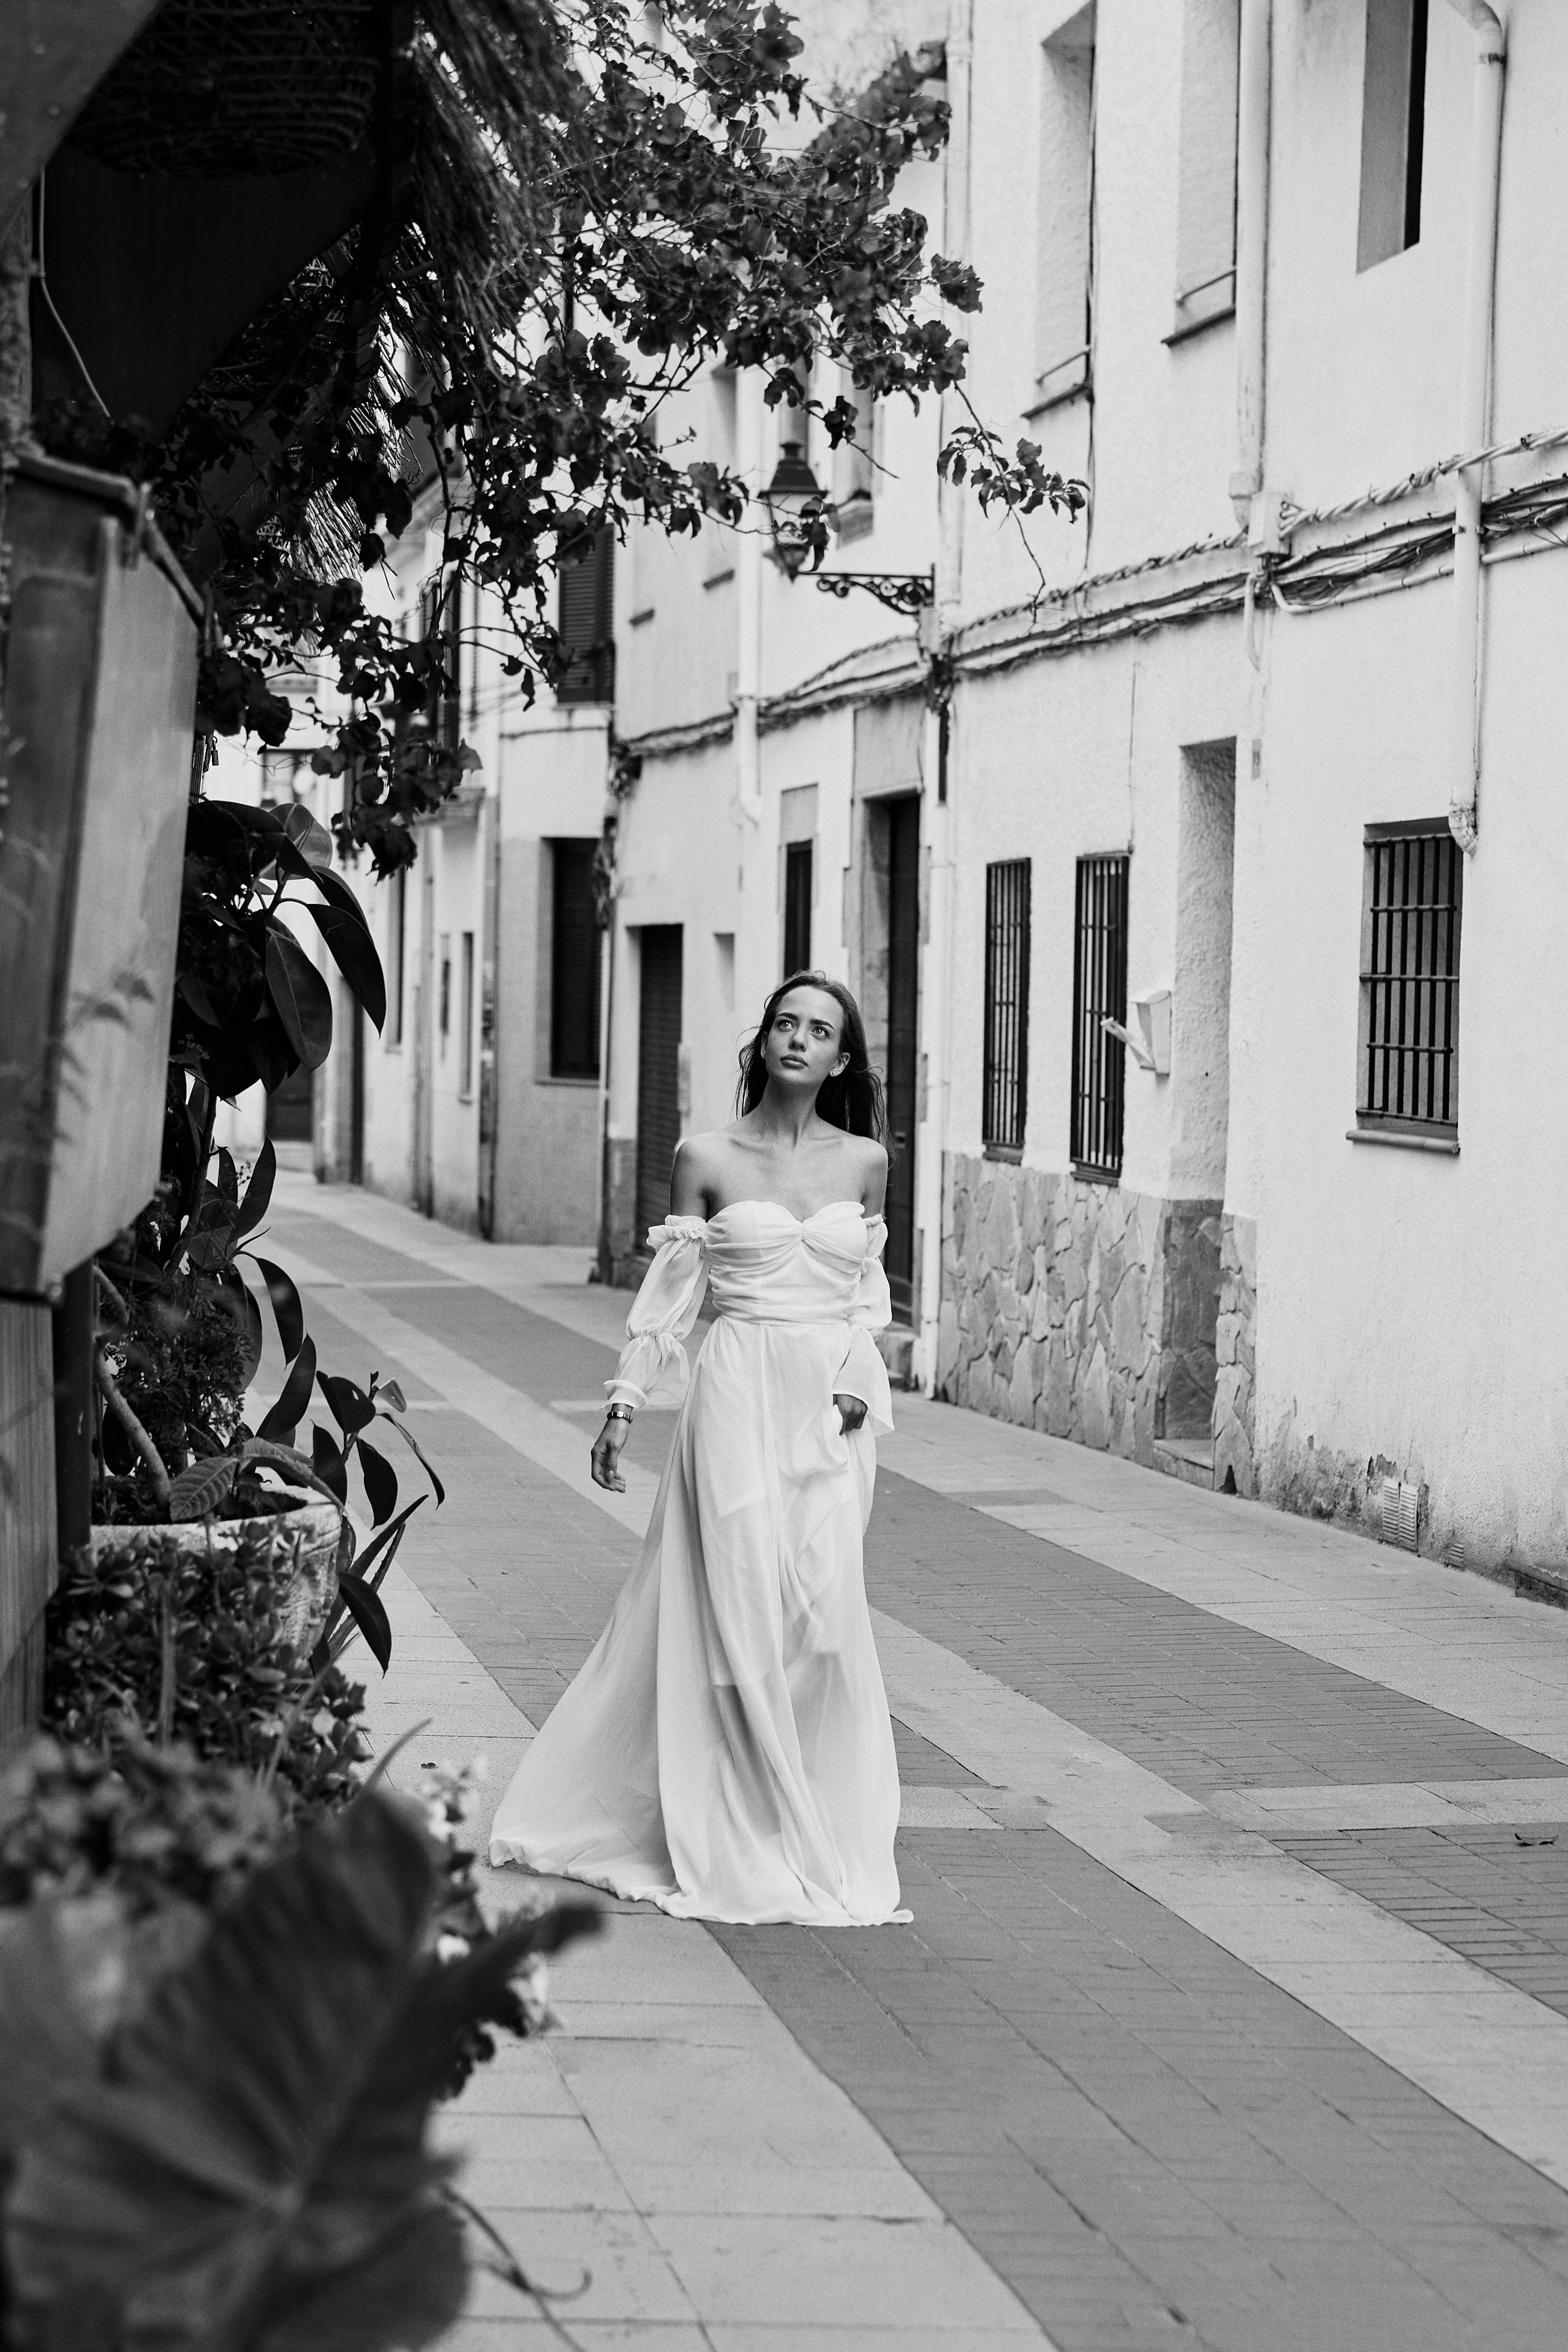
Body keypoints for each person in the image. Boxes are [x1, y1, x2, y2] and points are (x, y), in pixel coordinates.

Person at [488, 970, 909, 1926]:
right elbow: (675, 1299)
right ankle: (739, 1824)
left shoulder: (866, 1164)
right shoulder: (704, 1154)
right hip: (734, 1395)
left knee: (820, 1618)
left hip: (828, 1413)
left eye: (820, 1031)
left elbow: (866, 1301)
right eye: (785, 1024)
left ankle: (800, 1801)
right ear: (762, 1043)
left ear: (843, 1059)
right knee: (734, 1603)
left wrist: (857, 1375)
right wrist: (626, 1403)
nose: (799, 1040)